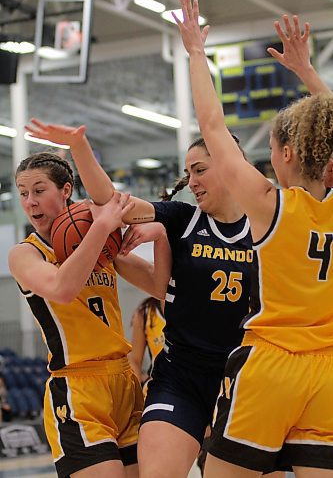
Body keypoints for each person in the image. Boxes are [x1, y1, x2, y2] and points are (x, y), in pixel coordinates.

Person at [23, 124, 256, 478]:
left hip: (244, 375)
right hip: (181, 374)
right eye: (188, 172)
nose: (191, 181)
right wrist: (80, 146)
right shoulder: (183, 218)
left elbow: (159, 284)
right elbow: (110, 202)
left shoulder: (268, 226)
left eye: (200, 170)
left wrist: (159, 239)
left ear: (231, 163)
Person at [173, 0, 333, 477]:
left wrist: (197, 54)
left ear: (287, 153)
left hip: (271, 367)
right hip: (327, 373)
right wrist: (309, 75)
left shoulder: (269, 204)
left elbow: (212, 126)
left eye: (270, 149)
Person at [8, 151, 170, 478]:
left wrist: (162, 235)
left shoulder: (101, 241)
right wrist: (103, 226)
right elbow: (62, 288)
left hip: (124, 382)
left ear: (66, 190)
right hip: (78, 389)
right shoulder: (25, 254)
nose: (30, 202)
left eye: (39, 191)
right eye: (23, 193)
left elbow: (159, 285)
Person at [128, 296, 165, 396]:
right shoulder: (145, 312)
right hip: (159, 386)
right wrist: (137, 394)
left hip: (191, 382)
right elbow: (134, 360)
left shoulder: (196, 305)